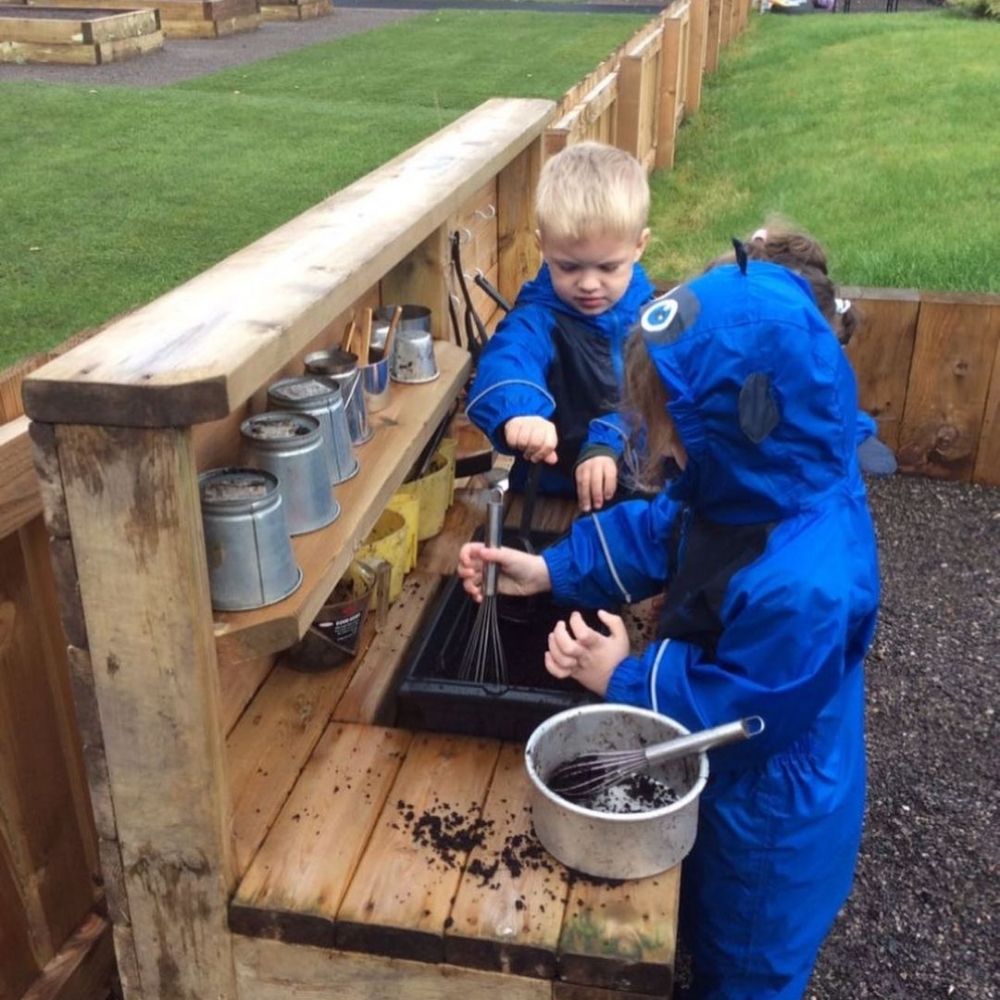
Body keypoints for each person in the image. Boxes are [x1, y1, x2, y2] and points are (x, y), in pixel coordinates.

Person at [458, 259, 880, 999]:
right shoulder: (746, 483)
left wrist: (622, 677)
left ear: (747, 418)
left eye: (671, 433)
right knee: (701, 902)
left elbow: (746, 714)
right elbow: (655, 533)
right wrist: (550, 571)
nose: (661, 452)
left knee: (744, 954)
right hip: (736, 784)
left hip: (775, 814)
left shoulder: (808, 578)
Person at [465, 141, 656, 513]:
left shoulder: (655, 317)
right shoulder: (539, 318)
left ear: (639, 246)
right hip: (552, 490)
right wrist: (521, 413)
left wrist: (610, 439)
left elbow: (666, 401)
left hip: (640, 493)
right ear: (543, 247)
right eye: (569, 267)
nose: (588, 284)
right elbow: (508, 358)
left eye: (607, 268)